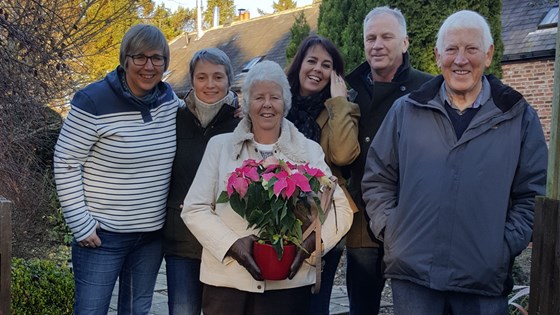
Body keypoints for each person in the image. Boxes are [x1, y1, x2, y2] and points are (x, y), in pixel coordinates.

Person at [362, 10, 548, 314]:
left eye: (471, 49)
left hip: (482, 283)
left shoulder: (517, 116)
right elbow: (377, 178)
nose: (460, 59)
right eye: (451, 49)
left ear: (488, 55)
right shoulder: (406, 111)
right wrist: (394, 232)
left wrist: (500, 248)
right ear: (438, 56)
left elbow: (531, 195)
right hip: (414, 279)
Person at [181, 60, 354, 315]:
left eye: (275, 97)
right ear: (247, 103)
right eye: (259, 97)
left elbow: (340, 208)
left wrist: (312, 245)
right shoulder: (220, 147)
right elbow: (194, 209)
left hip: (288, 286)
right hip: (228, 283)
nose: (267, 104)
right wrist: (232, 245)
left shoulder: (308, 150)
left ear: (285, 103)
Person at [54, 24, 183, 314]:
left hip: (150, 237)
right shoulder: (92, 101)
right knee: (90, 310)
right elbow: (66, 161)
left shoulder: (169, 99)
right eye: (140, 57)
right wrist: (80, 222)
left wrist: (230, 104)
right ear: (125, 59)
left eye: (157, 58)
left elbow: (198, 116)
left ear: (165, 62)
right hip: (101, 236)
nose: (149, 66)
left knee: (137, 311)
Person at [344, 6, 433, 314]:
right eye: (371, 38)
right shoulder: (350, 93)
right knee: (362, 307)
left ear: (404, 43)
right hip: (363, 225)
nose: (377, 44)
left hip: (413, 220)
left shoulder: (429, 89)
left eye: (386, 37)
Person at [285, 35, 360, 314]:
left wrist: (339, 103)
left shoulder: (339, 108)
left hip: (323, 219)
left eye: (326, 64)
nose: (317, 69)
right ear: (299, 64)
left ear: (335, 74)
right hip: (280, 217)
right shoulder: (280, 100)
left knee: (315, 304)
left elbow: (342, 155)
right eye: (312, 61)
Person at [163, 48, 241, 315]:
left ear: (229, 81)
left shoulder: (241, 123)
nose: (210, 84)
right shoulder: (175, 119)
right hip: (182, 241)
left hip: (227, 240)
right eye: (202, 77)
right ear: (192, 80)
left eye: (218, 77)